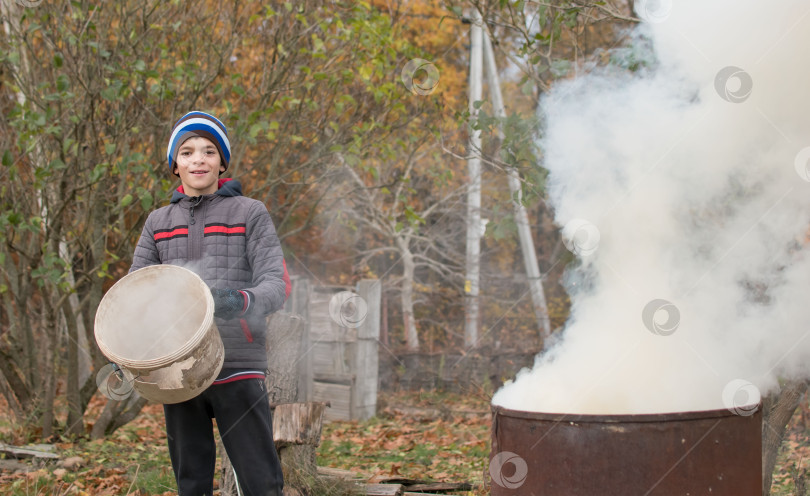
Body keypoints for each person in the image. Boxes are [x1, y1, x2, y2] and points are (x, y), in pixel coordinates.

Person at [130, 110, 290, 496]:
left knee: (261, 481)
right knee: (192, 481)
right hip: (178, 370)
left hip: (238, 362)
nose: (198, 159)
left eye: (208, 151)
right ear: (174, 165)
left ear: (222, 162)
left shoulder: (250, 212)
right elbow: (136, 293)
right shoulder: (158, 222)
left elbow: (277, 283)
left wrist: (238, 301)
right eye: (186, 152)